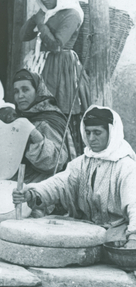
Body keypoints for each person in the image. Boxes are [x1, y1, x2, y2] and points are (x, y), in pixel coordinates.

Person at [13, 106, 136, 248]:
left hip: (116, 232)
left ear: (111, 133)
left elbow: (134, 204)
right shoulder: (82, 162)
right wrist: (31, 194)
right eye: (88, 133)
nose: (91, 139)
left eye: (97, 133)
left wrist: (134, 238)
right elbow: (59, 184)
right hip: (86, 228)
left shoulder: (126, 166)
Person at [20, 0, 90, 155]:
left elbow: (57, 46)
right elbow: (24, 35)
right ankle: (42, 155)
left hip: (62, 69)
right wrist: (38, 17)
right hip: (43, 68)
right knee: (39, 111)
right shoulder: (48, 13)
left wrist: (42, 25)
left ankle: (64, 157)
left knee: (58, 111)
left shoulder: (72, 14)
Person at [12, 69, 77, 185]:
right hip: (20, 181)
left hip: (45, 187)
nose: (20, 96)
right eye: (16, 91)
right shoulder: (18, 118)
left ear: (38, 91)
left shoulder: (49, 120)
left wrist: (34, 134)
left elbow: (57, 161)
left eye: (25, 89)